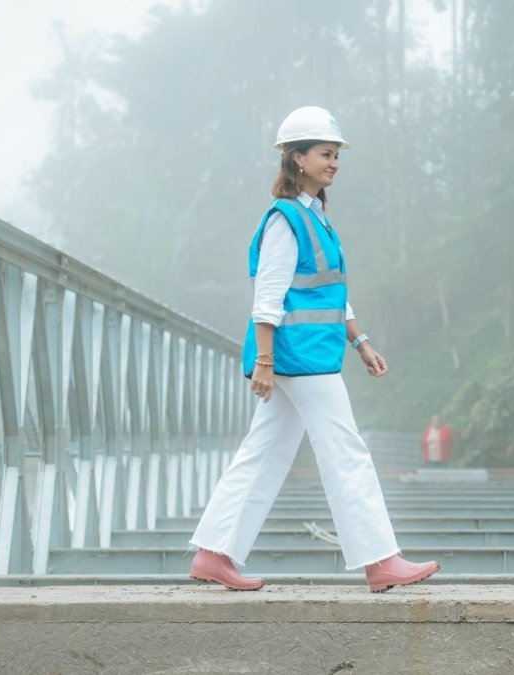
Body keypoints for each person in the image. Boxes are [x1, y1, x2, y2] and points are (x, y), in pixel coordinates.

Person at [188, 106, 440, 593]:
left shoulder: (316, 217)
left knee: (264, 451)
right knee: (347, 450)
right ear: (297, 158)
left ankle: (213, 553)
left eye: (336, 154)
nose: (335, 163)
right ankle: (380, 560)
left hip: (309, 353)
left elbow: (329, 290)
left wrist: (360, 340)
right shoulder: (286, 219)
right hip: (297, 357)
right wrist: (264, 359)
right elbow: (269, 295)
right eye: (326, 154)